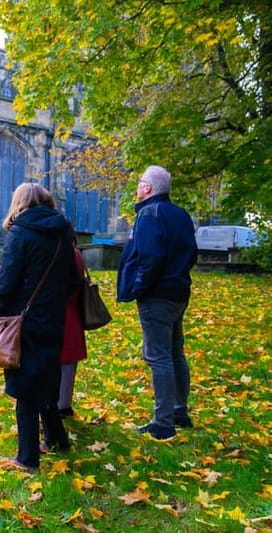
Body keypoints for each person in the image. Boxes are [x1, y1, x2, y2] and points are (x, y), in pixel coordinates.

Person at [0, 183, 77, 473]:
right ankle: (56, 438)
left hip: (23, 319)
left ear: (19, 202)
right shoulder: (64, 232)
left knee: (24, 387)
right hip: (53, 317)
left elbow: (7, 279)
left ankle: (27, 457)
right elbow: (74, 280)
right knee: (48, 379)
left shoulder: (20, 232)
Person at [117, 165, 197, 441]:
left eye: (140, 183)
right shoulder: (180, 215)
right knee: (175, 353)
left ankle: (163, 423)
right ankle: (179, 411)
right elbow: (191, 253)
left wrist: (140, 287)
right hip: (178, 291)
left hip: (158, 295)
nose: (138, 188)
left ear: (148, 188)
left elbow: (150, 257)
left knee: (158, 356)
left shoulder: (150, 213)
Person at [57, 236, 87, 419]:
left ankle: (57, 403)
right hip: (72, 310)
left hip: (58, 311)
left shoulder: (55, 252)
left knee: (58, 360)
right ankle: (64, 403)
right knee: (69, 362)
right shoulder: (75, 254)